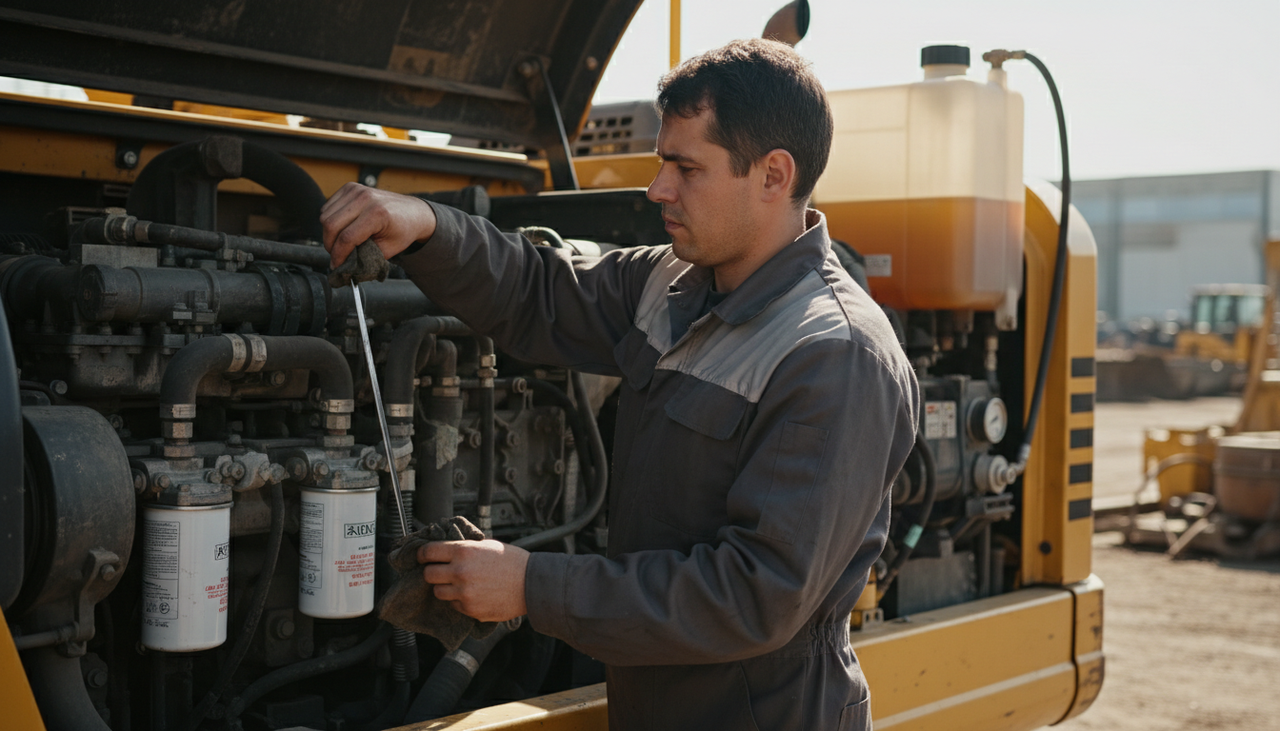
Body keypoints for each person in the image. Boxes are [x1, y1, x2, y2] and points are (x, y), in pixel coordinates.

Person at [321, 38, 919, 731]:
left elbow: (753, 596)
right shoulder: (670, 281)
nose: (657, 189)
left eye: (685, 167)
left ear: (773, 175)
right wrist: (426, 227)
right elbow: (540, 288)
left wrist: (528, 583)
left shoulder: (836, 354)